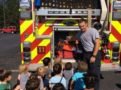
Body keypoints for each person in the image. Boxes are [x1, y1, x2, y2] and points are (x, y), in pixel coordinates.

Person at [77, 19, 101, 90]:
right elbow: (73, 38)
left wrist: (94, 56)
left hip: (94, 53)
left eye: (83, 26)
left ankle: (95, 88)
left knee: (95, 74)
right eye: (80, 26)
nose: (82, 28)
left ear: (86, 24)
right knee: (86, 73)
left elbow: (97, 43)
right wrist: (67, 40)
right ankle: (88, 88)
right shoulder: (80, 33)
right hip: (86, 54)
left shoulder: (93, 31)